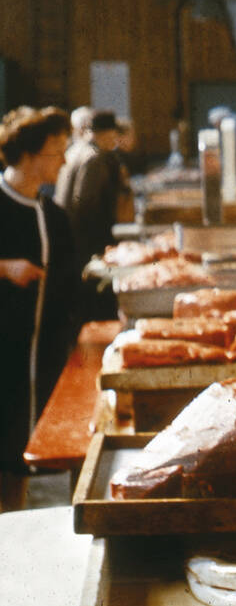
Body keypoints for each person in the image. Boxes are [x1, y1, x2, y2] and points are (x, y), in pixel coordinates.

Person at [0, 107, 75, 511]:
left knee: (19, 462)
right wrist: (4, 268)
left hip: (39, 360)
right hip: (4, 359)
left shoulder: (54, 216)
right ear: (28, 155)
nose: (63, 160)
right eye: (56, 151)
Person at [54, 109, 128, 276]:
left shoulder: (74, 150)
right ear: (107, 134)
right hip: (83, 238)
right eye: (114, 136)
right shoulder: (94, 157)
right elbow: (85, 203)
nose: (115, 142)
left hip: (65, 231)